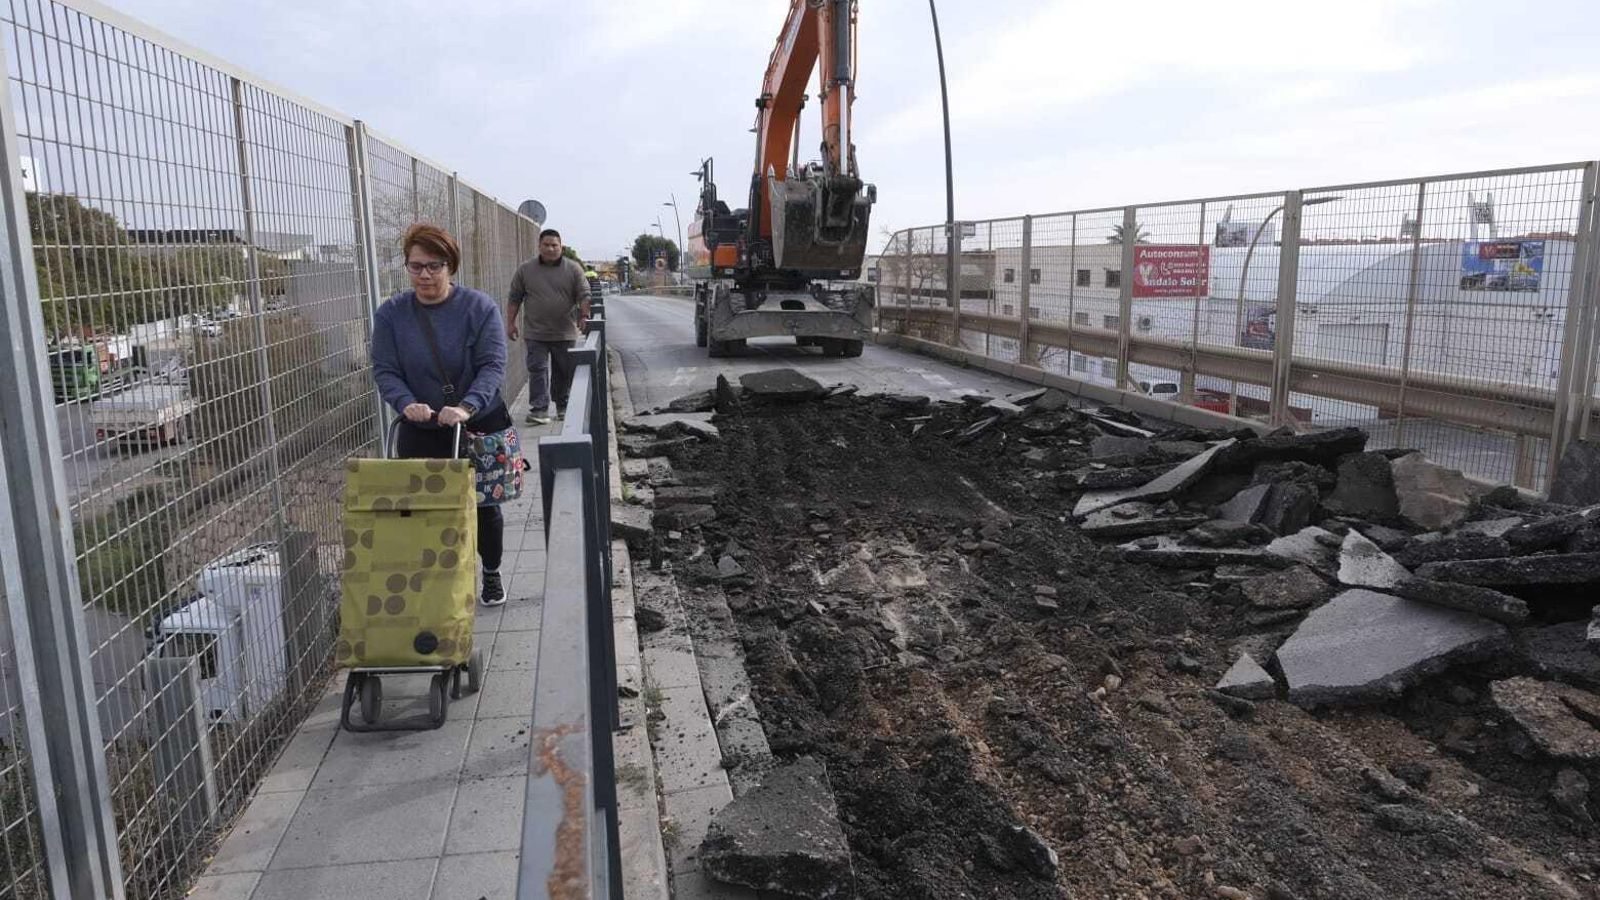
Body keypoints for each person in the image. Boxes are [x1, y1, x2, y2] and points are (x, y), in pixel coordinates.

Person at [371, 224, 511, 607]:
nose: (425, 275)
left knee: (483, 503)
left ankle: (492, 572)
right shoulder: (392, 315)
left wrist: (466, 406)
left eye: (434, 266)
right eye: (416, 267)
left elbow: (493, 364)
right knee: (422, 507)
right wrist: (404, 402)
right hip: (421, 424)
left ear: (451, 266)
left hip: (474, 422)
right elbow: (385, 369)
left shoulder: (479, 308)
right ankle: (435, 581)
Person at [507, 229, 590, 425]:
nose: (551, 248)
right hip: (536, 332)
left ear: (561, 247)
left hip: (564, 332)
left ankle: (563, 406)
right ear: (539, 246)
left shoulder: (573, 269)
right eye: (547, 245)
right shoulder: (525, 270)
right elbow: (514, 297)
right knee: (538, 370)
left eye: (555, 245)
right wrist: (510, 323)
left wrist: (584, 315)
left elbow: (584, 294)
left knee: (563, 371)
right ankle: (539, 409)